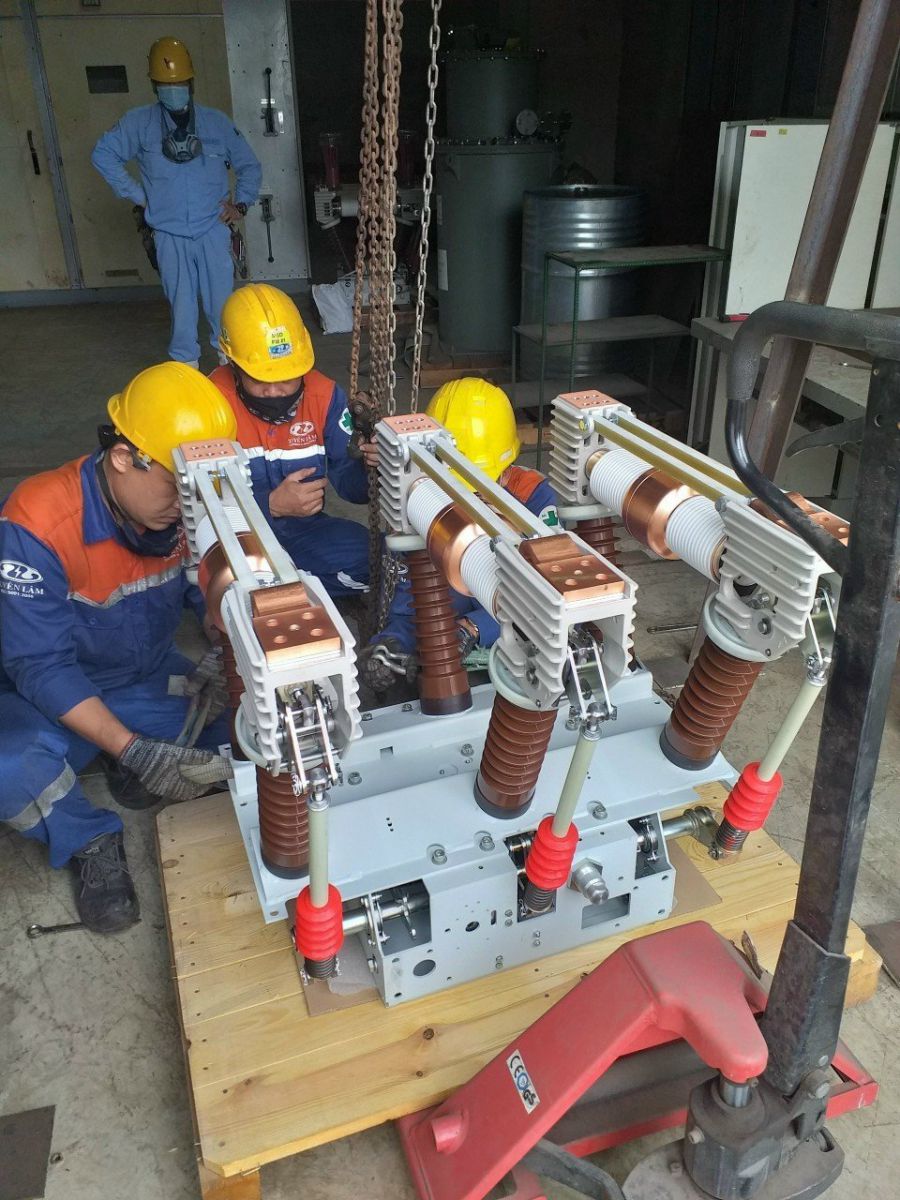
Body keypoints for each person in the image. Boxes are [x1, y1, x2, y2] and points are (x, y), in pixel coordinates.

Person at [0, 364, 237, 934]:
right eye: (177, 486)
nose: (188, 504)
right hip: (45, 701)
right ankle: (88, 837)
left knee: (248, 728)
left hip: (141, 679)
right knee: (9, 768)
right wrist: (134, 748)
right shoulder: (36, 523)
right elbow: (39, 666)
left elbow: (202, 591)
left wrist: (222, 641)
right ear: (125, 457)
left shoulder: (183, 513)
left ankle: (124, 754)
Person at [361, 378, 560, 690]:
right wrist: (392, 642)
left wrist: (473, 628)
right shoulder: (417, 503)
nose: (470, 498)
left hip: (511, 625)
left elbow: (548, 590)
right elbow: (408, 596)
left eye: (481, 485)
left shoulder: (533, 497)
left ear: (507, 465)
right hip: (440, 619)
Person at [91, 36, 262, 369]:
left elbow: (249, 166)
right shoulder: (138, 123)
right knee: (181, 309)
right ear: (154, 87)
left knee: (222, 306)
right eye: (165, 85)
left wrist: (240, 205)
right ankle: (186, 369)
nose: (173, 90)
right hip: (169, 234)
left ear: (191, 83)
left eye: (179, 83)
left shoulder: (217, 123)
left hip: (212, 229)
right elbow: (103, 154)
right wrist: (139, 196)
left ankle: (228, 365)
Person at [209, 282, 378, 597]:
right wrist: (269, 505)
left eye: (287, 377)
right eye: (260, 378)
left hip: (304, 532)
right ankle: (279, 591)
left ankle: (281, 590)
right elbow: (191, 508)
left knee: (378, 560)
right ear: (233, 364)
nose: (275, 391)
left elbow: (349, 484)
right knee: (217, 583)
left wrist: (373, 466)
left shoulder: (324, 396)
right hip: (233, 539)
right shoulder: (207, 405)